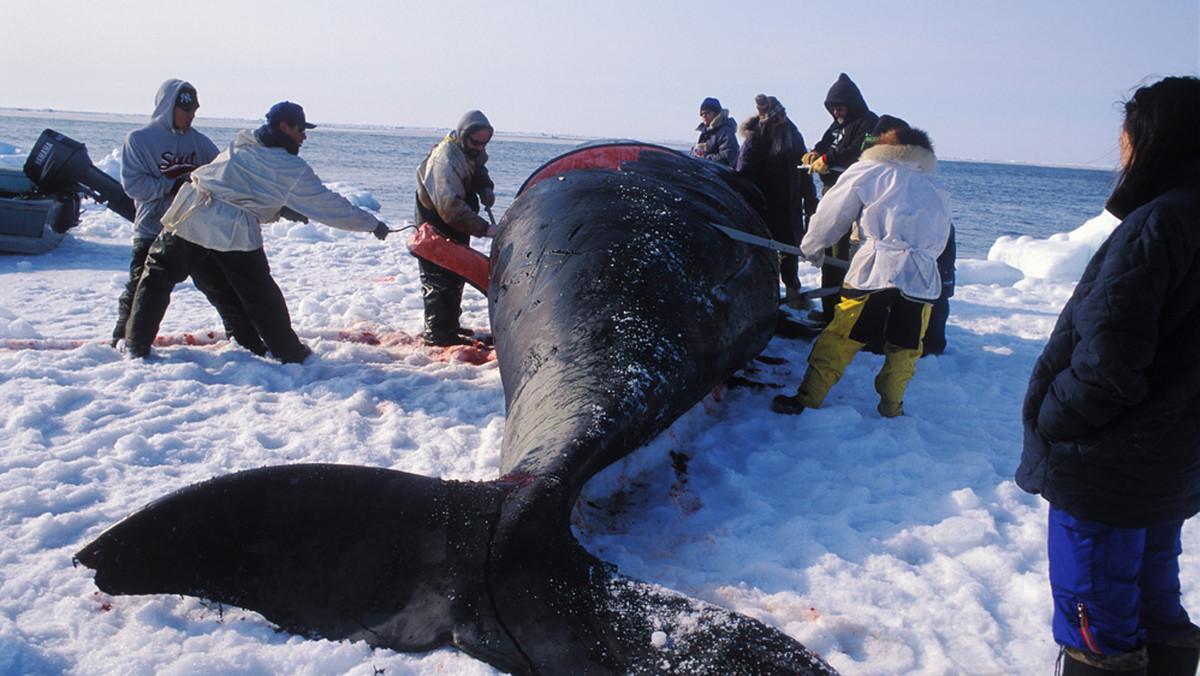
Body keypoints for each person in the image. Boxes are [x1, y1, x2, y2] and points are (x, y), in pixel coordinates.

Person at [1016, 76, 1200, 676]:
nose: (1119, 146)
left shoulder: (1159, 224)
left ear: (1153, 138)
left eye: (1127, 132)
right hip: (1168, 463)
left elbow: (1107, 365)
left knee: (1096, 624)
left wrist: (1053, 420)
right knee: (1155, 605)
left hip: (1109, 467)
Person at [124, 101, 389, 363]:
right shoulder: (290, 167)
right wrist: (371, 224)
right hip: (232, 229)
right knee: (259, 293)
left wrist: (279, 210)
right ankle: (288, 352)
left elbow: (236, 186)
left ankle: (136, 345)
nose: (304, 136)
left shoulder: (243, 144)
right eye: (300, 130)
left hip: (190, 214)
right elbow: (330, 206)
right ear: (284, 126)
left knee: (157, 277)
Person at [771, 117, 950, 418]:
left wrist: (812, 247)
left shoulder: (870, 171)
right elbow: (941, 240)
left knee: (842, 335)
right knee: (905, 347)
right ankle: (892, 407)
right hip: (921, 279)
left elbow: (832, 214)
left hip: (875, 271)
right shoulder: (936, 189)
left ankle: (807, 398)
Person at [114, 79, 261, 354]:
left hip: (195, 231)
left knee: (221, 288)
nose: (191, 115)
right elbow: (135, 186)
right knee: (140, 288)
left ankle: (246, 341)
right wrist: (173, 185)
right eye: (186, 110)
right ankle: (123, 340)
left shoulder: (201, 144)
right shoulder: (139, 140)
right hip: (152, 229)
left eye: (194, 110)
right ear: (168, 107)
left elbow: (221, 180)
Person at [414, 110, 498, 347]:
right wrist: (484, 229)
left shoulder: (471, 150)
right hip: (436, 227)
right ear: (463, 134)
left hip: (457, 226)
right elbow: (450, 209)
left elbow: (479, 168)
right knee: (439, 278)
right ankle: (438, 334)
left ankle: (450, 324)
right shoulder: (446, 159)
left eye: (485, 143)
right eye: (476, 142)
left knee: (456, 275)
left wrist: (485, 187)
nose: (480, 147)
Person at [803, 73, 880, 324]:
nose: (836, 111)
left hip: (854, 196)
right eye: (833, 108)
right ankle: (829, 310)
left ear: (852, 103)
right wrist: (815, 152)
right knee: (827, 247)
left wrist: (828, 160)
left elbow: (859, 150)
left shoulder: (869, 123)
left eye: (840, 106)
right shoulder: (838, 124)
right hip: (831, 191)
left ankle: (841, 314)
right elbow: (826, 142)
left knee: (842, 251)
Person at [736, 94, 818, 301]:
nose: (781, 121)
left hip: (789, 206)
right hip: (766, 208)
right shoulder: (754, 140)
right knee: (763, 253)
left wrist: (809, 200)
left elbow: (803, 171)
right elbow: (744, 175)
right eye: (776, 119)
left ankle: (792, 291)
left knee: (790, 251)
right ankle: (766, 295)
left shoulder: (794, 135)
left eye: (782, 115)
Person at [692, 97, 739, 168]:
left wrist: (703, 160)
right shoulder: (705, 133)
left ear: (716, 114)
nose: (704, 115)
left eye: (707, 112)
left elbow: (728, 156)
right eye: (701, 114)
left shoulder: (725, 132)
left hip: (721, 176)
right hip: (707, 173)